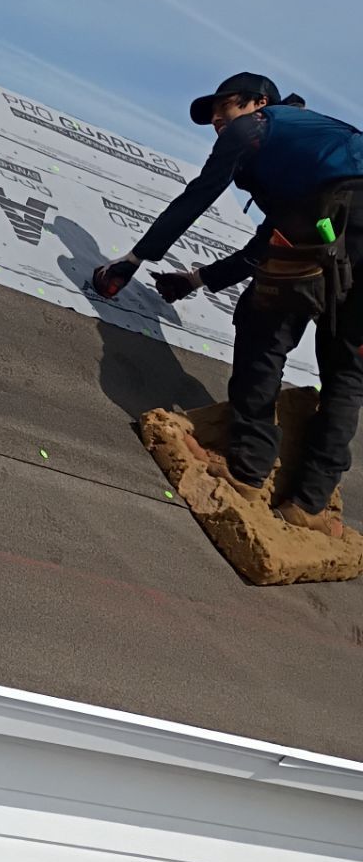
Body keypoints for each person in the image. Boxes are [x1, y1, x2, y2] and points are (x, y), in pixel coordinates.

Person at [92, 74, 363, 534]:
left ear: (258, 103)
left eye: (225, 107)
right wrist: (197, 278)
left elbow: (199, 195)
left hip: (336, 217)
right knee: (348, 368)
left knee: (264, 324)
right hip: (343, 222)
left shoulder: (256, 128)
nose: (218, 120)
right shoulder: (316, 146)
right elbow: (264, 247)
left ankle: (248, 469)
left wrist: (135, 258)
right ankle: (309, 505)